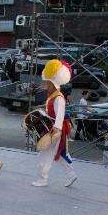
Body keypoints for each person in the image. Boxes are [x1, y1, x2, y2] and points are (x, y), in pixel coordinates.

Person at [33, 59, 78, 188]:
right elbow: (52, 110)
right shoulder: (53, 96)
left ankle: (42, 179)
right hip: (52, 128)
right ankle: (71, 174)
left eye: (47, 82)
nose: (45, 84)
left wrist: (56, 129)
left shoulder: (58, 97)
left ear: (52, 83)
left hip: (53, 129)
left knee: (45, 154)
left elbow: (60, 114)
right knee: (58, 154)